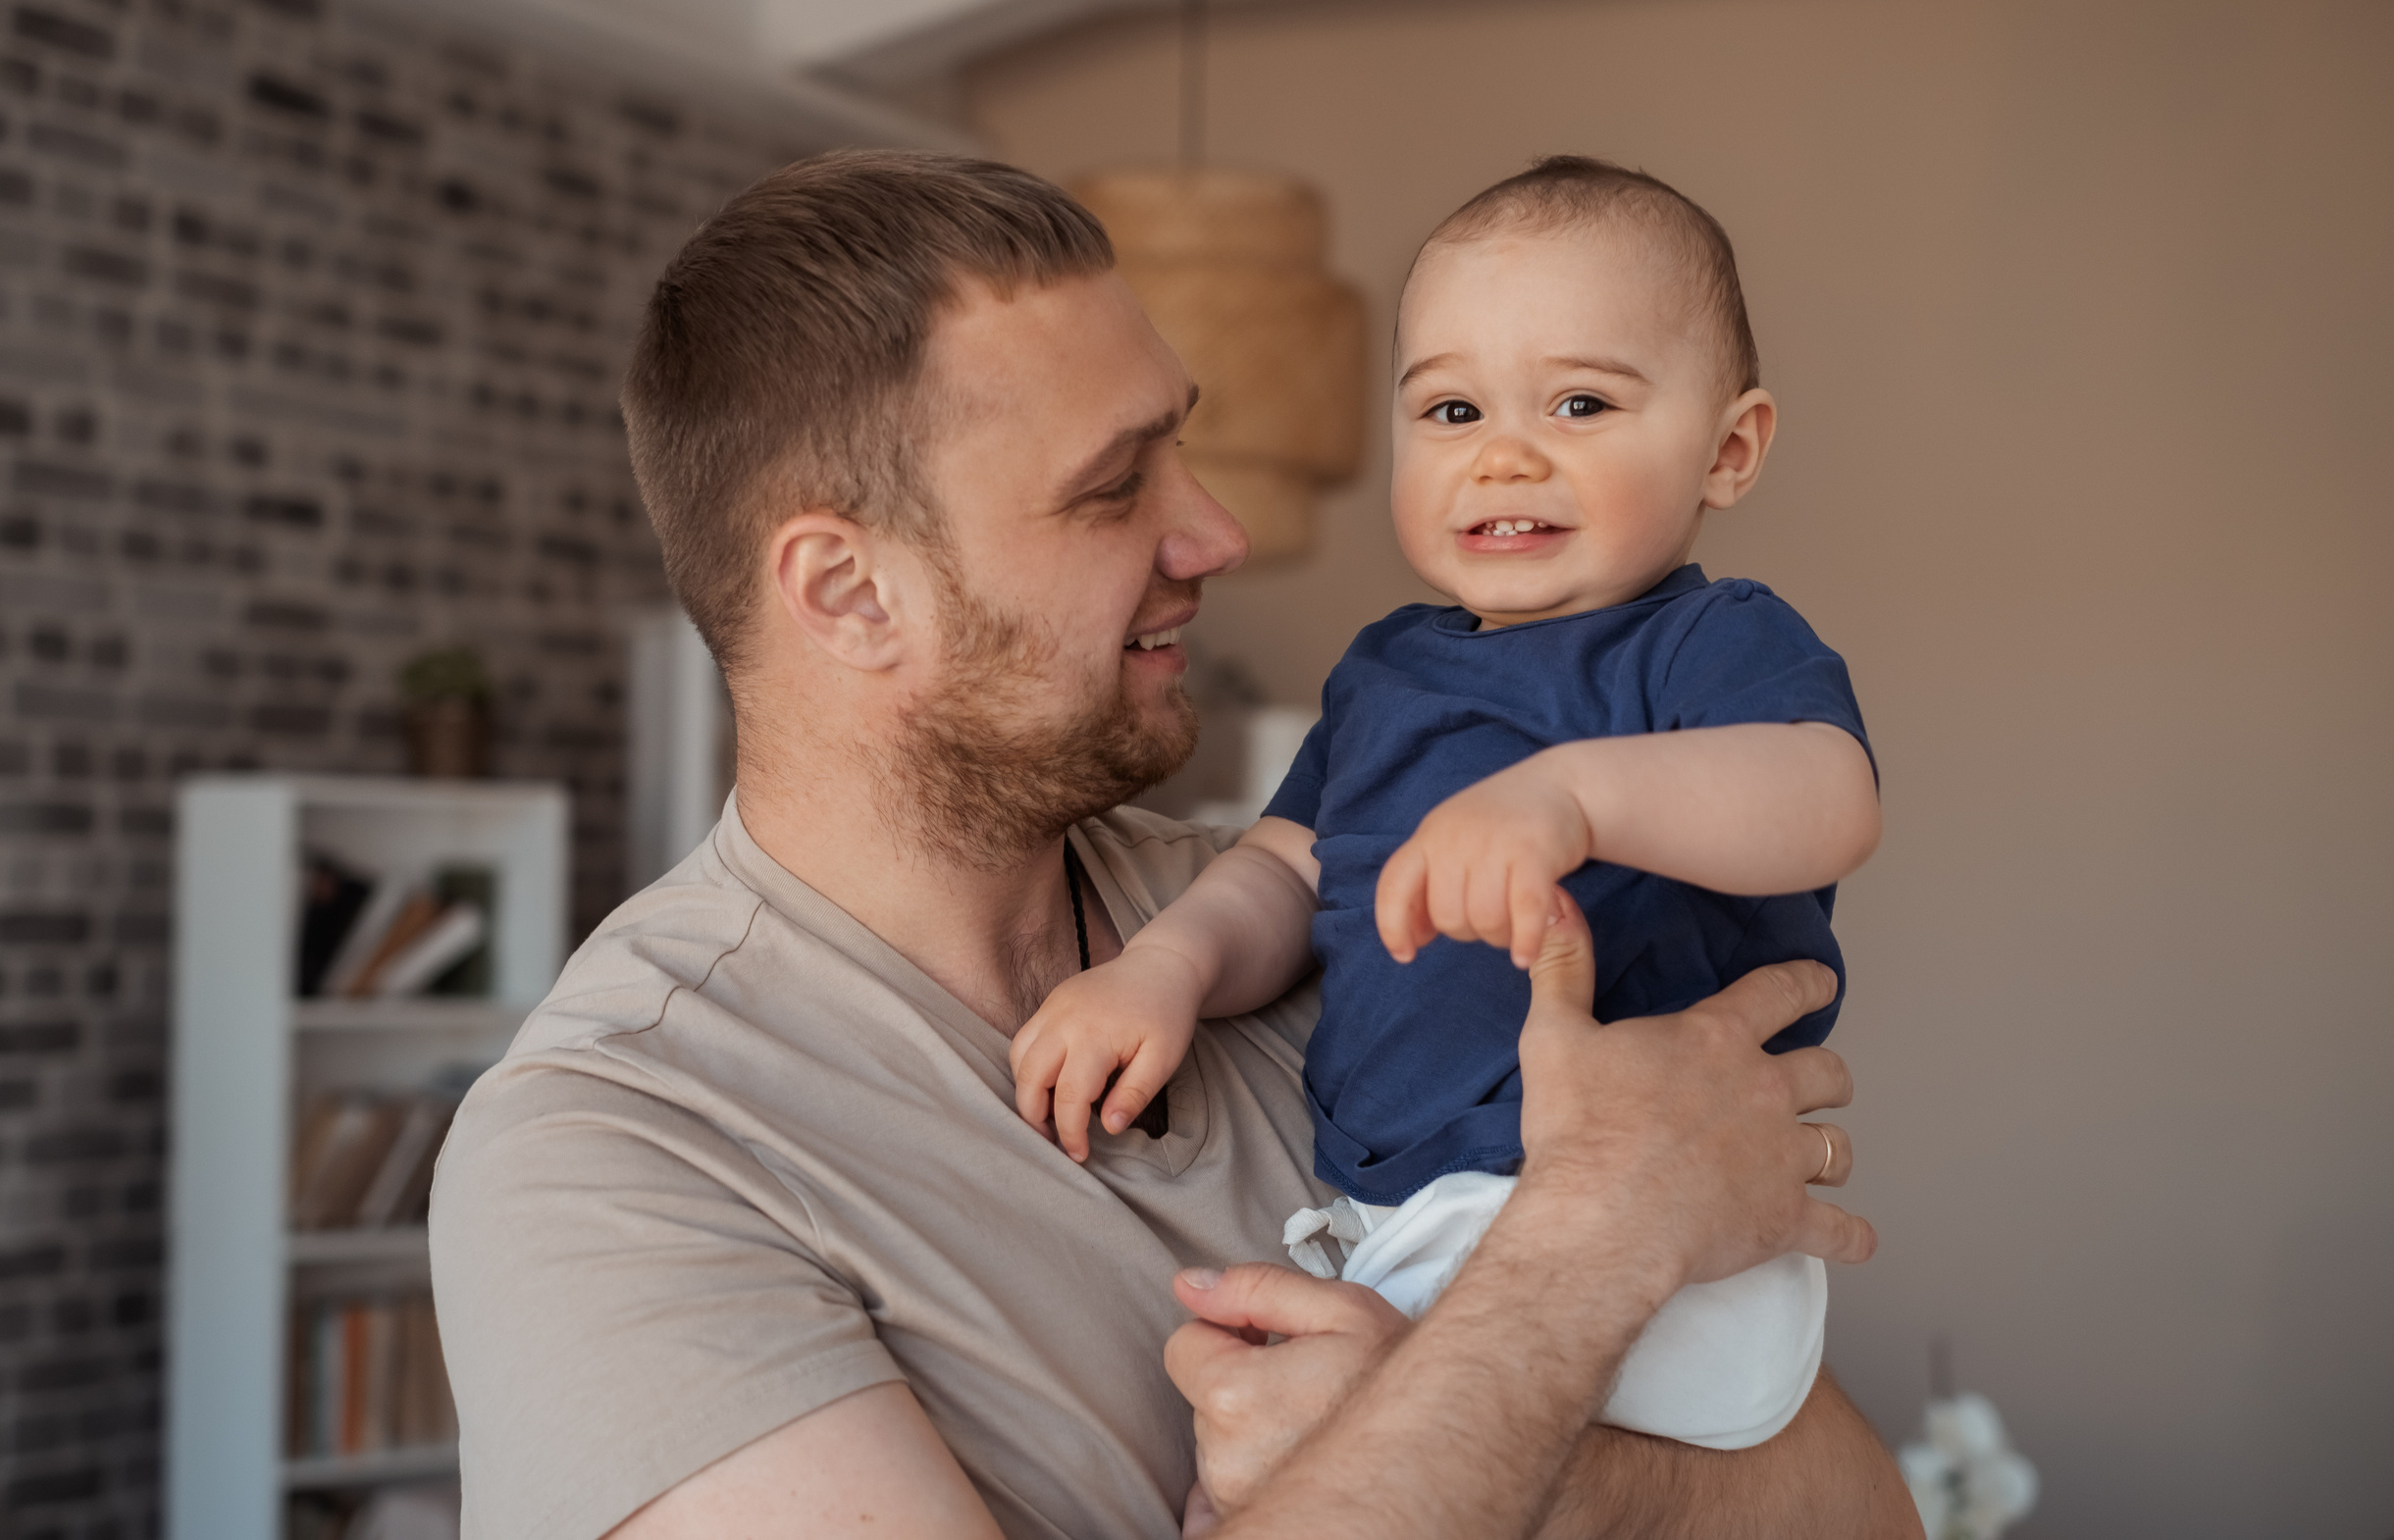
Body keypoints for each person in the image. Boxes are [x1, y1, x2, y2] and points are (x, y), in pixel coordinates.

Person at [428, 150, 1913, 1540]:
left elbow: (1871, 1518)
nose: (1217, 536)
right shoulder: (617, 1158)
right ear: (850, 593)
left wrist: (1515, 1442)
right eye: (1114, 484)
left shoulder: (1362, 909)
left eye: (1182, 450)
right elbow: (1572, 1293)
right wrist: (1576, 1266)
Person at [1012, 158, 1879, 1453]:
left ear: (1730, 449)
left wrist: (1572, 797)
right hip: (1394, 1217)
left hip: (1641, 1228)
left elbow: (1827, 798)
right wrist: (1166, 968)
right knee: (1256, 1464)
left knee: (1354, 1468)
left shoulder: (1706, 645)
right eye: (1453, 408)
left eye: (1580, 402)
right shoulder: (1385, 672)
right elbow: (1290, 869)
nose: (1506, 455)